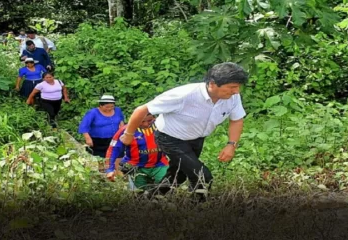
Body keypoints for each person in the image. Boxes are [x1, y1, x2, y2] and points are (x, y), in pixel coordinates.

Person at [119, 62, 248, 201]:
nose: (236, 91)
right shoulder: (184, 95)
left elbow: (236, 119)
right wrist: (128, 135)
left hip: (196, 139)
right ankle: (196, 206)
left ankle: (151, 196)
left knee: (178, 175)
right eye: (232, 87)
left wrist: (231, 144)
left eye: (238, 87)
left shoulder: (232, 97)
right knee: (202, 176)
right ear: (212, 84)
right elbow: (141, 110)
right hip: (169, 138)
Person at [105, 113, 169, 192]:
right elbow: (113, 149)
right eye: (141, 121)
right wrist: (110, 169)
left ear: (154, 118)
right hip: (136, 167)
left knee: (165, 189)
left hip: (160, 165)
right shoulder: (126, 130)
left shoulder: (162, 127)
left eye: (149, 121)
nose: (146, 124)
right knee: (138, 194)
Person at [78, 95, 125, 163]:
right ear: (100, 105)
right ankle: (102, 168)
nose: (110, 108)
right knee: (99, 156)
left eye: (112, 106)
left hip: (114, 138)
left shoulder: (117, 110)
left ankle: (115, 168)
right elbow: (84, 126)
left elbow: (121, 121)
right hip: (98, 140)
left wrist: (122, 132)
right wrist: (87, 138)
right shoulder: (93, 112)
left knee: (117, 153)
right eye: (107, 107)